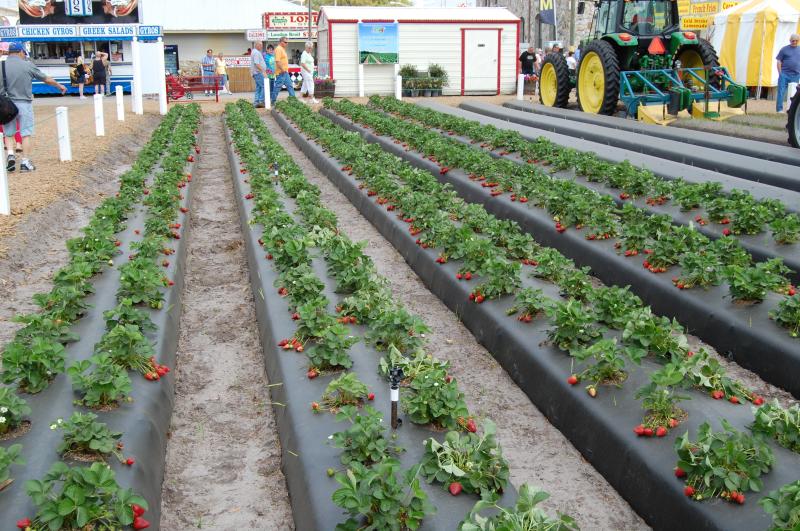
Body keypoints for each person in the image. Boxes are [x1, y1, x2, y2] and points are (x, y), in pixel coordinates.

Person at [1, 42, 67, 172]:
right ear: (20, 52)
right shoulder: (27, 65)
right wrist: (59, 86)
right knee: (25, 133)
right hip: (23, 103)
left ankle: (10, 155)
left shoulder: (1, 65)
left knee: (8, 133)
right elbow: (45, 79)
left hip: (5, 104)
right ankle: (25, 162)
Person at [776, 33, 800, 113]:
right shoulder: (784, 49)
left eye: (796, 41)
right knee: (781, 92)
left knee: (794, 94)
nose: (795, 42)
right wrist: (780, 73)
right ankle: (779, 109)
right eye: (793, 41)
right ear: (790, 41)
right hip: (784, 74)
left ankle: (791, 110)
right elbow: (779, 61)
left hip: (796, 75)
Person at [271, 37, 296, 105]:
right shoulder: (278, 49)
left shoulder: (282, 49)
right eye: (285, 42)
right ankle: (272, 101)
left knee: (290, 86)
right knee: (278, 87)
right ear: (281, 42)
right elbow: (277, 61)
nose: (286, 43)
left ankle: (293, 100)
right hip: (281, 72)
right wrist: (282, 69)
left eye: (287, 42)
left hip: (284, 72)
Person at [250, 41, 267, 108]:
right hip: (258, 72)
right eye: (260, 45)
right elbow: (257, 64)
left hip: (256, 72)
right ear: (257, 45)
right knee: (264, 86)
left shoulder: (254, 52)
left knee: (259, 87)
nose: (262, 46)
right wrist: (263, 71)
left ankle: (256, 102)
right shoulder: (256, 53)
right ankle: (261, 101)